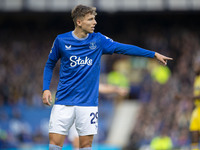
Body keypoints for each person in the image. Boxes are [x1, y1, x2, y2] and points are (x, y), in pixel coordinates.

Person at [42, 4, 172, 150]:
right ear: (79, 22)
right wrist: (46, 89)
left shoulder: (98, 40)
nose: (95, 22)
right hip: (63, 102)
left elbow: (123, 48)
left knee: (85, 146)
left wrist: (153, 54)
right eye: (90, 19)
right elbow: (49, 65)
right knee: (54, 146)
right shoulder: (61, 40)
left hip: (87, 105)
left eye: (94, 19)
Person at [68, 83, 128, 150]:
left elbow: (100, 87)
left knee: (84, 142)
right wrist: (117, 90)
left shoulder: (86, 82)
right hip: (79, 114)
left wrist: (117, 90)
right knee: (78, 142)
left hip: (87, 114)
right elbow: (100, 87)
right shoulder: (79, 82)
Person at [189, 57, 200, 150]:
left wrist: (183, 97)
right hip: (197, 109)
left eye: (197, 65)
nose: (194, 67)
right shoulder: (196, 79)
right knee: (194, 134)